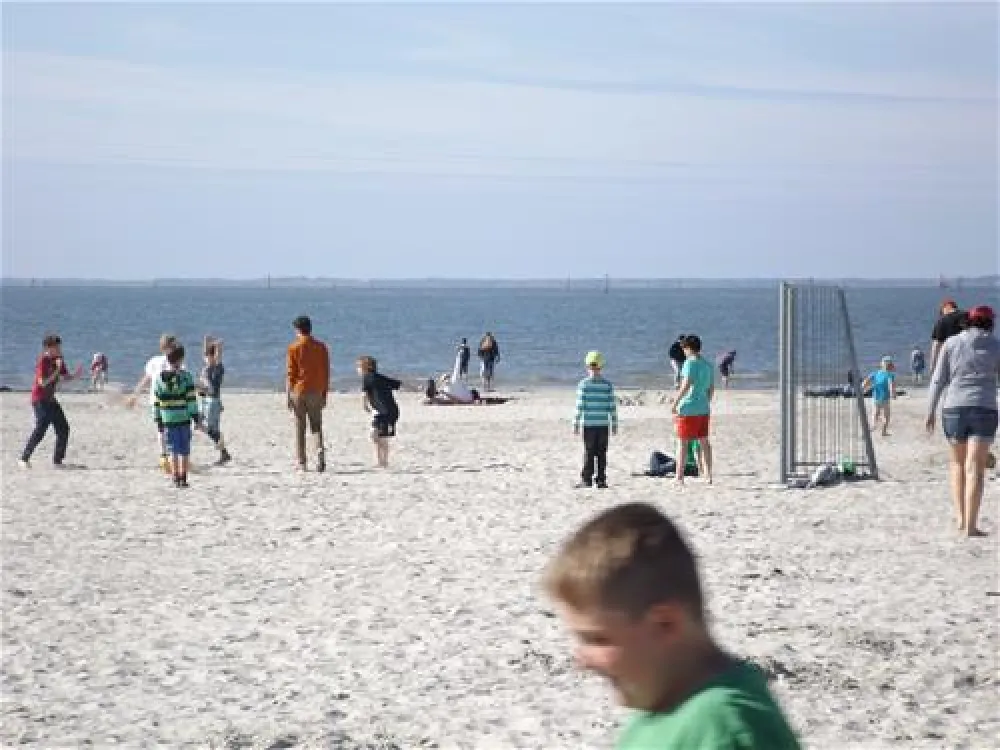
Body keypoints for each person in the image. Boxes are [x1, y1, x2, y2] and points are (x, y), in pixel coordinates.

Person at [544, 502, 801, 750]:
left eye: (598, 639)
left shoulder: (723, 727)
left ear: (665, 624)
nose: (582, 661)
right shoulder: (660, 705)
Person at [926, 305, 1000, 538]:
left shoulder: (951, 343)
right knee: (975, 467)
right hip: (984, 407)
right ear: (990, 322)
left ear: (968, 321)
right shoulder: (996, 345)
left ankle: (960, 518)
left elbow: (938, 379)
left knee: (957, 464)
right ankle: (971, 525)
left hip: (954, 407)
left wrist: (930, 410)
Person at [19, 333, 84, 468]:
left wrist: (75, 375)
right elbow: (42, 383)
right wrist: (57, 370)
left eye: (60, 347)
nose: (59, 350)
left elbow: (65, 377)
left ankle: (57, 461)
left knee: (63, 428)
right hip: (39, 399)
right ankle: (24, 459)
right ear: (48, 348)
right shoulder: (43, 360)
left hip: (51, 400)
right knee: (41, 427)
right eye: (57, 347)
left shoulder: (59, 359)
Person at [127, 334, 180, 474]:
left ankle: (166, 457)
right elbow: (146, 379)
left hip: (161, 400)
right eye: (173, 345)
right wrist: (134, 395)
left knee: (164, 429)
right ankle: (168, 457)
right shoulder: (167, 361)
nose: (174, 348)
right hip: (165, 401)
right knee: (168, 428)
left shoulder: (159, 361)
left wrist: (135, 396)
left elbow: (146, 379)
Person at [286, 315, 330, 472]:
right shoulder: (321, 347)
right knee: (316, 425)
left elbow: (291, 374)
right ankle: (319, 450)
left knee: (300, 427)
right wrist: (324, 393)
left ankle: (302, 462)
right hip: (316, 390)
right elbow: (326, 372)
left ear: (298, 330)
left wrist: (288, 395)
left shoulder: (293, 348)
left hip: (299, 390)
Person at [154, 345, 201, 488]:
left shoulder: (159, 379)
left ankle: (175, 477)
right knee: (184, 450)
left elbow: (157, 402)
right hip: (183, 418)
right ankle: (183, 478)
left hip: (168, 419)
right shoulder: (186, 377)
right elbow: (191, 399)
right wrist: (196, 417)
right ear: (181, 359)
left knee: (173, 450)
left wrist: (158, 419)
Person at [671, 334, 714, 484]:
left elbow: (685, 385)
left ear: (689, 348)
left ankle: (679, 477)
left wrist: (675, 403)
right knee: (704, 442)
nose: (683, 351)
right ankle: (708, 475)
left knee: (682, 442)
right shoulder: (708, 365)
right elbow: (711, 389)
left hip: (688, 407)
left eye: (684, 348)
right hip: (703, 407)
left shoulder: (689, 363)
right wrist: (705, 402)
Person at [573, 351, 618, 489]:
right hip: (603, 424)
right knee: (601, 453)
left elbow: (580, 405)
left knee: (589, 452)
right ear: (601, 366)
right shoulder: (607, 385)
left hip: (589, 424)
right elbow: (612, 406)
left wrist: (576, 422)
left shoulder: (583, 384)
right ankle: (601, 480)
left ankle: (587, 479)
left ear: (587, 366)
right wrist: (614, 423)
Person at [357, 355, 402, 468]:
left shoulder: (367, 377)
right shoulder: (380, 378)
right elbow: (398, 384)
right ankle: (381, 461)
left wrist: (364, 406)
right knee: (378, 436)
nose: (357, 370)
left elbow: (364, 394)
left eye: (359, 367)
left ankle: (383, 462)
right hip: (388, 411)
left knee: (378, 436)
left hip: (385, 412)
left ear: (366, 367)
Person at [197, 337, 232, 465]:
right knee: (199, 424)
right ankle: (221, 446)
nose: (205, 358)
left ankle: (223, 451)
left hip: (212, 402)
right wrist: (206, 341)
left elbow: (218, 358)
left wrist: (218, 347)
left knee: (210, 429)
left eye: (207, 356)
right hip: (204, 400)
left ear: (212, 357)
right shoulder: (206, 368)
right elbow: (206, 354)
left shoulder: (216, 369)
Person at [929, 298, 967, 377]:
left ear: (944, 309)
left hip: (952, 362)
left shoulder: (942, 321)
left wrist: (932, 368)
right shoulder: (968, 316)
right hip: (971, 361)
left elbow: (936, 346)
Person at [862, 356, 897, 437]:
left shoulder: (876, 373)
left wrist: (862, 388)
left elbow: (866, 380)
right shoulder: (890, 375)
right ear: (891, 366)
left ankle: (873, 426)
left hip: (876, 398)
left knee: (875, 413)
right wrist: (893, 394)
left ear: (881, 365)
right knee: (886, 416)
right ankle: (883, 432)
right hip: (885, 399)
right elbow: (891, 384)